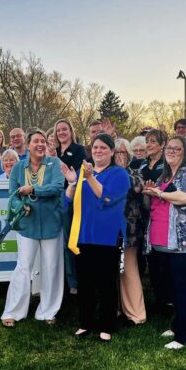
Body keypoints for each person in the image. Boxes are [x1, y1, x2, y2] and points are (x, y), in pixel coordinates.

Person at [142, 136, 186, 349]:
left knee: (184, 287)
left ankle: (185, 336)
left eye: (177, 148)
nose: (171, 151)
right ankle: (177, 324)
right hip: (169, 242)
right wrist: (153, 193)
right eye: (169, 148)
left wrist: (161, 193)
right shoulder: (167, 174)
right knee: (174, 286)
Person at [65, 134, 130, 342]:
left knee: (106, 283)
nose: (98, 151)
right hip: (84, 235)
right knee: (85, 283)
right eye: (95, 147)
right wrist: (72, 183)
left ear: (112, 151)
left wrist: (89, 177)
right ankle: (86, 323)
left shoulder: (120, 174)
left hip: (108, 237)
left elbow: (107, 197)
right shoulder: (83, 173)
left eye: (103, 148)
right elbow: (67, 202)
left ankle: (107, 325)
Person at [1, 129, 66, 327]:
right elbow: (12, 196)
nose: (40, 144)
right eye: (36, 141)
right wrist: (22, 205)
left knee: (51, 267)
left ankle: (48, 311)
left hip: (51, 223)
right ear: (28, 145)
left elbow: (58, 186)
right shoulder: (18, 168)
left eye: (43, 141)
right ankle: (12, 311)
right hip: (27, 224)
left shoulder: (54, 163)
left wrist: (35, 189)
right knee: (23, 267)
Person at [114, 138, 146, 325]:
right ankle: (115, 309)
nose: (120, 156)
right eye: (117, 152)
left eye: (124, 152)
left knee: (129, 270)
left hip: (130, 231)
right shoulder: (105, 173)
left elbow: (136, 187)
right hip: (107, 232)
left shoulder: (135, 173)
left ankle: (136, 314)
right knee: (112, 272)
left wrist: (118, 172)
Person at [54, 119, 87, 295]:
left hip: (70, 199)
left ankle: (74, 282)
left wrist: (56, 160)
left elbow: (76, 174)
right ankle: (60, 280)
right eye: (58, 130)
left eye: (64, 129)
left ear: (70, 131)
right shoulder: (53, 151)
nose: (61, 132)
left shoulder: (78, 149)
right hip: (52, 199)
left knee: (69, 241)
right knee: (56, 242)